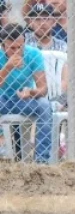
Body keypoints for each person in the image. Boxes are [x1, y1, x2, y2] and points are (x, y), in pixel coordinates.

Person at [0, 24, 53, 162]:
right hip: (2, 99)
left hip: (23, 100)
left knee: (44, 105)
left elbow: (43, 88)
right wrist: (8, 67)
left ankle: (42, 159)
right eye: (12, 48)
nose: (17, 51)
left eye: (20, 47)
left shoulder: (33, 54)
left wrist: (32, 92)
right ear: (3, 46)